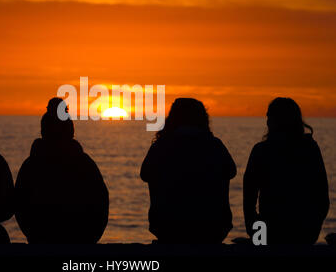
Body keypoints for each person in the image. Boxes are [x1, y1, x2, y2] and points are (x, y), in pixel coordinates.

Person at [141, 98, 236, 243]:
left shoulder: (161, 147)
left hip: (168, 228)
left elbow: (145, 174)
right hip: (213, 228)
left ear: (172, 119)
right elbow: (231, 171)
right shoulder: (215, 146)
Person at [15, 98, 109, 243]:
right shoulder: (84, 164)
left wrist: (34, 235)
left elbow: (20, 203)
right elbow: (100, 201)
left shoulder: (32, 165)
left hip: (42, 238)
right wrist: (89, 238)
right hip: (78, 238)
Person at [244, 97, 329, 244]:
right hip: (303, 233)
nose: (267, 122)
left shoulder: (261, 151)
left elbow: (249, 200)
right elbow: (322, 199)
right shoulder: (310, 149)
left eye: (270, 117)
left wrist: (258, 236)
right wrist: (311, 231)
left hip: (278, 233)